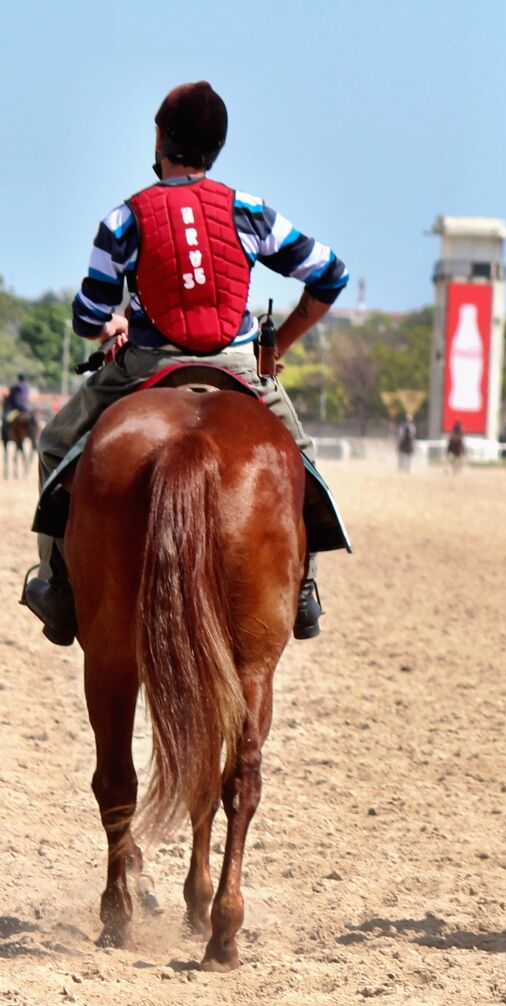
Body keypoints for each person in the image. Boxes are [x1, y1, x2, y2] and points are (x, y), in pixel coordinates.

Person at [22, 81, 348, 644]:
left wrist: (111, 325)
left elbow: (87, 314)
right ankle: (302, 590)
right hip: (241, 367)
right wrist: (283, 345)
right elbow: (330, 273)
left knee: (55, 444)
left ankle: (58, 586)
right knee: (300, 459)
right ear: (217, 146)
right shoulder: (250, 212)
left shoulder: (124, 219)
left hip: (147, 364)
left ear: (160, 139)